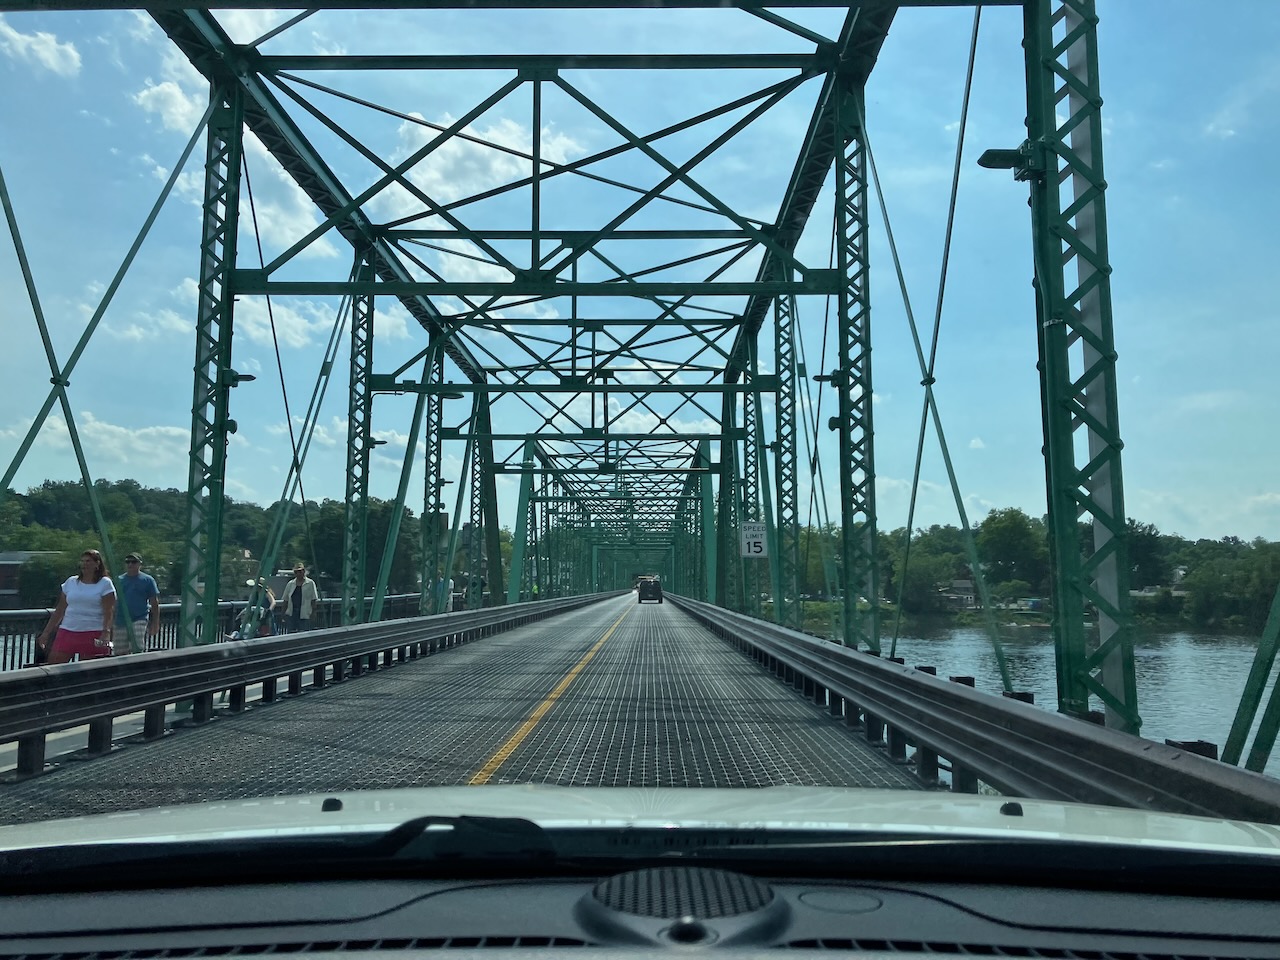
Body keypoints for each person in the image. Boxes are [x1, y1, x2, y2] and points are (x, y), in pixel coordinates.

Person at [35, 549, 117, 664]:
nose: (84, 564)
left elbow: (108, 611)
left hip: (94, 631)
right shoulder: (71, 582)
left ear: (97, 563)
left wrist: (106, 632)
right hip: (68, 630)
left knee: (90, 670)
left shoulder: (105, 583)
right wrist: (46, 633)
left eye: (88, 561)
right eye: (82, 561)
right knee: (54, 663)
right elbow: (60, 609)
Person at [115, 552, 160, 654]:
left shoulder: (148, 580)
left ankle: (138, 667)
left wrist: (155, 623)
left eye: (134, 562)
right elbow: (113, 602)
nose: (130, 564)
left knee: (138, 646)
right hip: (120, 619)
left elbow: (154, 603)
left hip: (139, 618)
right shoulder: (119, 580)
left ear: (140, 564)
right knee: (119, 650)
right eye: (128, 562)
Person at [280, 563, 319, 632]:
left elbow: (313, 599)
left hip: (305, 614)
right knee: (291, 634)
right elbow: (285, 600)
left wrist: (313, 613)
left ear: (304, 571)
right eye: (296, 572)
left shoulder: (310, 583)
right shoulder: (290, 584)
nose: (298, 574)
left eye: (300, 571)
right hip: (292, 614)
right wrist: (283, 613)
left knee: (303, 634)